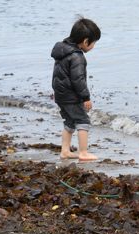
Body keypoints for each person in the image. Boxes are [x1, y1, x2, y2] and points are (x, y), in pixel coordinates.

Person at [51, 17, 101, 161]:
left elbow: (58, 75)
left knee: (69, 122)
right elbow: (78, 79)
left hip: (60, 95)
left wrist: (57, 93)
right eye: (93, 43)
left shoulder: (61, 51)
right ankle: (83, 153)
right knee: (83, 121)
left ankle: (65, 151)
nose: (93, 46)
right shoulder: (77, 57)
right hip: (72, 97)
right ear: (85, 41)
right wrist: (86, 97)